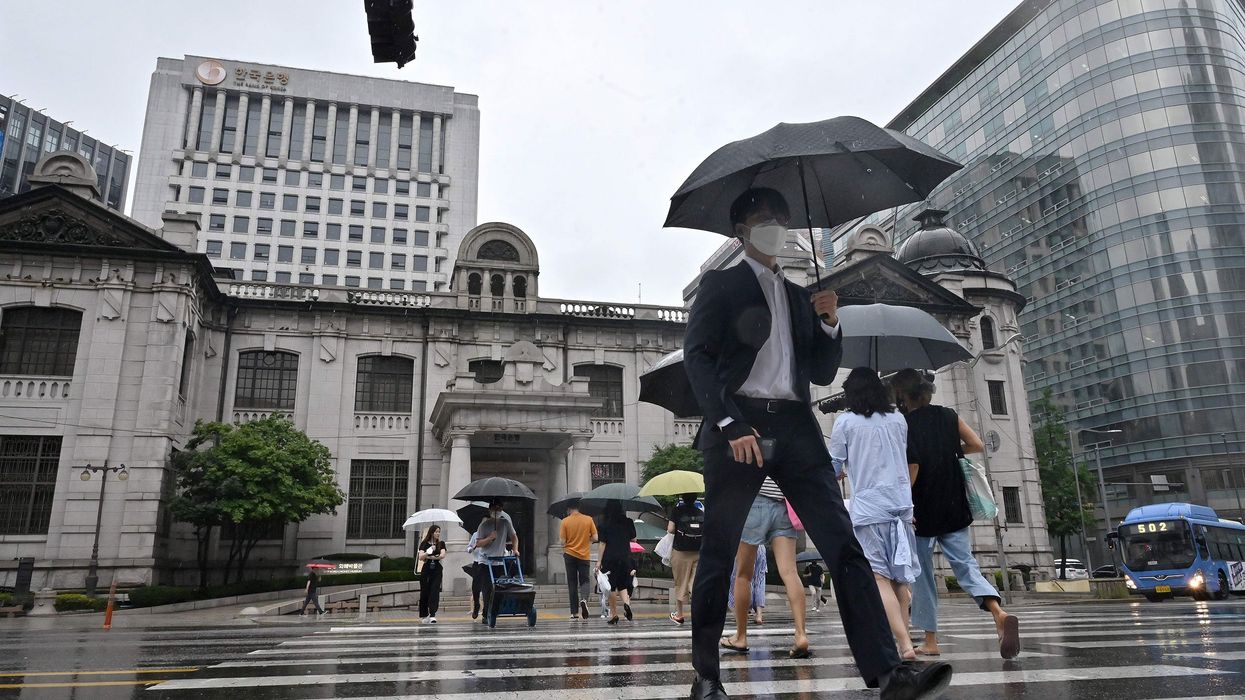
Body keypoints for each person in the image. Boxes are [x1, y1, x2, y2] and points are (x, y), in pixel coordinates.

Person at [682, 187, 952, 699]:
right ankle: (707, 678)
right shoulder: (722, 285)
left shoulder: (800, 296)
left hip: (795, 426)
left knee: (843, 545)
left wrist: (830, 323)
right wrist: (727, 424)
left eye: (781, 218)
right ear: (741, 231)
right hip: (740, 425)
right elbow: (696, 356)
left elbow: (825, 370)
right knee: (718, 553)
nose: (774, 226)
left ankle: (889, 672)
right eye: (764, 219)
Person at [891, 368, 1020, 659]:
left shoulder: (904, 423)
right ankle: (998, 613)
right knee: (966, 566)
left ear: (903, 396)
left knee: (922, 576)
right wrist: (951, 449)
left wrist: (903, 501)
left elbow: (913, 467)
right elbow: (976, 445)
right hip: (954, 505)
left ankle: (931, 641)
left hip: (922, 510)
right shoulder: (949, 416)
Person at [830, 367, 921, 661]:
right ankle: (903, 643)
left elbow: (833, 465)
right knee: (901, 579)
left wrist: (841, 472)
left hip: (869, 509)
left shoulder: (844, 422)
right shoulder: (899, 419)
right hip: (901, 505)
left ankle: (904, 644)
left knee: (879, 578)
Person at [722, 480, 812, 658]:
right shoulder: (789, 449)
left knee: (743, 575)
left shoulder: (749, 449)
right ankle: (801, 634)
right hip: (783, 506)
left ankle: (741, 636)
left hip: (753, 503)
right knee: (790, 572)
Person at [473, 499, 519, 624]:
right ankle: (486, 613)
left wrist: (515, 549)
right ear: (490, 510)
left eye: (499, 508)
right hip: (485, 562)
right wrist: (490, 538)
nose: (497, 511)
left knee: (499, 589)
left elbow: (514, 537)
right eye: (494, 509)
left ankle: (495, 610)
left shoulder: (505, 523)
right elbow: (478, 543)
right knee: (487, 589)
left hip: (499, 561)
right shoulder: (484, 525)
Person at [597, 500, 637, 624]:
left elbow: (602, 543)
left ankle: (614, 615)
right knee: (623, 584)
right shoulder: (628, 522)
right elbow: (634, 538)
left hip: (610, 558)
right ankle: (626, 604)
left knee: (611, 587)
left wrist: (599, 562)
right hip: (625, 557)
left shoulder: (604, 524)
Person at [559, 498, 599, 620]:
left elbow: (562, 542)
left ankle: (574, 613)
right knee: (585, 581)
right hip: (584, 555)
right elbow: (596, 537)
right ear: (578, 507)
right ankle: (584, 600)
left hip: (569, 555)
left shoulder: (565, 521)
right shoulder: (588, 519)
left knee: (572, 582)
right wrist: (587, 539)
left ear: (569, 509)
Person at [667, 492, 704, 625]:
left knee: (680, 582)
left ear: (683, 498)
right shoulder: (700, 512)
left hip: (681, 551)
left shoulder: (677, 511)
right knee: (694, 584)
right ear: (695, 499)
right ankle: (699, 615)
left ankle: (680, 615)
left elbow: (670, 529)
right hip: (698, 551)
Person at [417, 525, 447, 623]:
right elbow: (421, 557)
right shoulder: (424, 543)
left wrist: (432, 557)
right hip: (426, 569)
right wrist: (429, 552)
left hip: (437, 570)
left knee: (435, 591)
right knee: (425, 591)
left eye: (439, 532)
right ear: (431, 533)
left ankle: (433, 614)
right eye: (436, 532)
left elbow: (442, 555)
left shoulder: (441, 544)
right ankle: (424, 614)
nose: (438, 533)